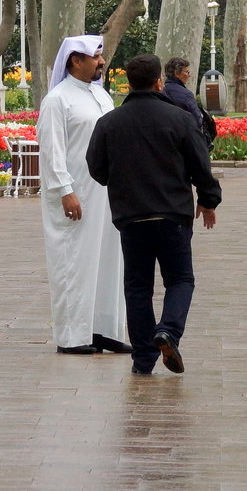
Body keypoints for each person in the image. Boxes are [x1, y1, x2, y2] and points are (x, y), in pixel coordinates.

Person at [86, 54, 222, 376]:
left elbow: (96, 167)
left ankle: (143, 358)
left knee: (137, 287)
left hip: (131, 216)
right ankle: (168, 331)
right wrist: (208, 199)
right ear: (159, 81)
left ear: (128, 83)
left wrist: (119, 183)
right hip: (173, 213)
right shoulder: (179, 119)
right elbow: (200, 163)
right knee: (180, 279)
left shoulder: (109, 122)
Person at [37, 35, 129, 356]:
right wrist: (65, 191)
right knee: (74, 263)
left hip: (107, 195)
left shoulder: (101, 96)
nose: (102, 62)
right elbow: (51, 152)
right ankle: (72, 336)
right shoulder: (57, 100)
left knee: (108, 262)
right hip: (74, 197)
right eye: (96, 57)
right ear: (75, 60)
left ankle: (104, 330)